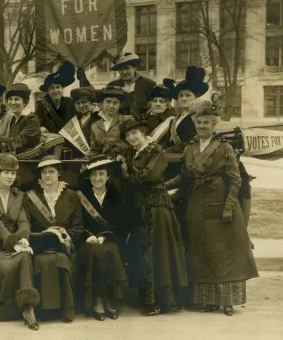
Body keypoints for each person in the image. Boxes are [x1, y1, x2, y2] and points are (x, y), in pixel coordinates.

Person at [165, 100, 258, 316]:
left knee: (223, 254)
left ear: (214, 124)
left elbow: (235, 181)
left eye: (206, 122)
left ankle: (227, 301)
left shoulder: (225, 148)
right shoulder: (190, 148)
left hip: (221, 206)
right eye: (199, 123)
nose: (202, 126)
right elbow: (184, 176)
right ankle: (207, 301)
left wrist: (228, 208)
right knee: (202, 252)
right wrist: (162, 185)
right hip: (198, 207)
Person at [120, 118, 188, 316]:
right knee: (144, 252)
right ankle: (149, 300)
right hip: (140, 208)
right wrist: (122, 159)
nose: (131, 138)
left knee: (159, 252)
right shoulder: (132, 152)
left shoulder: (155, 150)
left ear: (143, 133)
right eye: (128, 135)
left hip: (157, 207)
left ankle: (164, 301)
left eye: (135, 133)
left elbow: (149, 175)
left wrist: (128, 177)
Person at [0, 153, 40, 330]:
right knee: (8, 267)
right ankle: (0, 304)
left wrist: (24, 240)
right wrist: (14, 244)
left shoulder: (19, 196)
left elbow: (23, 221)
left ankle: (28, 308)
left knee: (25, 257)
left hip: (15, 245)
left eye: (13, 173)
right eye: (6, 172)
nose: (10, 177)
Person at [24, 156, 83, 322]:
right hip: (41, 246)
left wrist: (63, 236)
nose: (48, 175)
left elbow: (78, 227)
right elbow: (27, 227)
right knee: (44, 261)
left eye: (51, 171)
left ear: (59, 174)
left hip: (64, 247)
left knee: (62, 261)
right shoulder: (31, 197)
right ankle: (44, 311)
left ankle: (65, 310)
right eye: (44, 172)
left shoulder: (71, 196)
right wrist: (49, 235)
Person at [74, 156, 128, 321]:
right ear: (89, 177)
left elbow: (121, 223)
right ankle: (96, 300)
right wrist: (88, 236)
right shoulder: (80, 196)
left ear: (108, 176)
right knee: (95, 252)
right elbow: (76, 222)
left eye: (102, 174)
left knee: (110, 251)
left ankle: (109, 299)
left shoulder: (116, 196)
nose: (98, 178)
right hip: (87, 241)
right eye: (94, 175)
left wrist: (105, 236)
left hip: (109, 240)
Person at [164, 66, 209, 153]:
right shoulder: (176, 118)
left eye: (188, 95)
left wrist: (168, 151)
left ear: (196, 97)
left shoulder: (200, 117)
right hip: (171, 158)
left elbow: (196, 142)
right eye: (181, 95)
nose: (183, 98)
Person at [84, 85, 131, 164]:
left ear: (119, 105)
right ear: (102, 103)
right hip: (104, 164)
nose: (111, 106)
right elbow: (94, 150)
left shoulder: (127, 120)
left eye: (115, 103)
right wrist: (85, 159)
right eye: (108, 101)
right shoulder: (94, 126)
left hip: (125, 163)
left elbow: (135, 144)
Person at [0, 83, 41, 153]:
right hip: (14, 158)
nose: (13, 102)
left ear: (25, 102)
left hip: (27, 161)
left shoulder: (31, 120)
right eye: (10, 99)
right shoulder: (14, 118)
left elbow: (16, 143)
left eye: (17, 99)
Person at [35, 61, 76, 133]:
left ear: (62, 88)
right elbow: (37, 121)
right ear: (47, 91)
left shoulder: (70, 102)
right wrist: (41, 127)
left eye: (58, 87)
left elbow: (77, 120)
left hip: (68, 140)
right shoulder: (41, 104)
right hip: (51, 140)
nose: (55, 91)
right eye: (52, 88)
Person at [144, 80, 177, 148]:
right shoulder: (144, 117)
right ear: (151, 103)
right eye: (155, 101)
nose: (158, 104)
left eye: (161, 101)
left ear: (167, 104)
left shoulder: (173, 119)